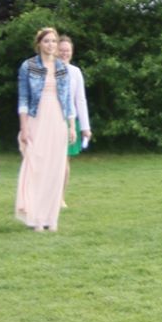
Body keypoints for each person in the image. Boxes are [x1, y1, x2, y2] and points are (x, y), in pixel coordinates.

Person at [15, 28, 76, 232]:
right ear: (39, 43)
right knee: (36, 167)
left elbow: (68, 99)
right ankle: (35, 217)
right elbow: (23, 98)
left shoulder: (62, 67)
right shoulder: (29, 66)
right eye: (47, 41)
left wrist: (71, 125)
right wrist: (24, 127)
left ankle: (51, 217)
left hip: (58, 118)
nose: (51, 45)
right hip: (36, 118)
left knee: (55, 169)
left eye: (54, 41)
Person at [58, 35, 92, 208]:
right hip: (50, 120)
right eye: (61, 50)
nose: (64, 53)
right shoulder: (46, 70)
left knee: (64, 161)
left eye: (67, 51)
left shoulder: (75, 72)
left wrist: (85, 127)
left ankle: (60, 197)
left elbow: (80, 100)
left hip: (70, 121)